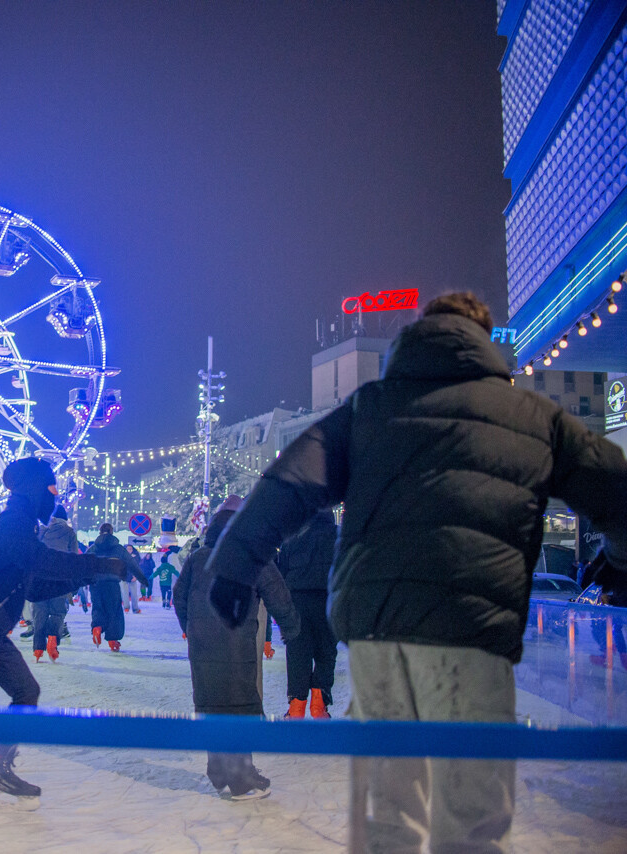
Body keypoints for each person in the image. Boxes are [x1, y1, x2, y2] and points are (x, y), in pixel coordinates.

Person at [205, 293, 627, 852]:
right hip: (472, 625)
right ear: (484, 340)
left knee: (389, 807)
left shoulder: (370, 407)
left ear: (415, 339)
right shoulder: (532, 416)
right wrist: (617, 561)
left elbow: (290, 484)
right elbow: (616, 490)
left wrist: (234, 565)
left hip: (381, 629)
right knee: (472, 810)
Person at [0, 458, 127, 817]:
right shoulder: (13, 522)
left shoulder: (24, 525)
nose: (54, 497)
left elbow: (33, 587)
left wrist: (88, 576)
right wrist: (94, 563)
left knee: (26, 692)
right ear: (35, 489)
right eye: (50, 490)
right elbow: (41, 561)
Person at [174, 498, 299, 801]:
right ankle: (242, 780)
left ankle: (219, 771)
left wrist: (191, 628)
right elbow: (278, 595)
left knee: (210, 702)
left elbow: (179, 597)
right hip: (236, 644)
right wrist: (292, 627)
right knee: (239, 704)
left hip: (202, 647)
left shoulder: (196, 558)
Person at [275, 508, 339, 719]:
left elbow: (281, 573)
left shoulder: (292, 538)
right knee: (326, 653)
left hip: (297, 603)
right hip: (328, 602)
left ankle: (297, 707)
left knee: (297, 654)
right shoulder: (338, 536)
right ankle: (319, 706)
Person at [33, 504, 80, 661]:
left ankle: (38, 649)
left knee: (40, 612)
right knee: (58, 611)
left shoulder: (40, 530)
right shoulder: (69, 532)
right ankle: (53, 638)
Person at [89, 523, 144, 651]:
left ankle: (97, 627)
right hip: (112, 583)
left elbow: (83, 563)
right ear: (112, 532)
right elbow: (131, 563)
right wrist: (141, 577)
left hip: (96, 583)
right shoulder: (118, 548)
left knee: (98, 607)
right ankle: (113, 642)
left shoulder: (93, 548)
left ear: (99, 532)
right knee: (114, 611)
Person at [122, 544, 143, 613]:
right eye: (128, 549)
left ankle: (135, 608)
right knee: (124, 593)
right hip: (123, 576)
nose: (129, 550)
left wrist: (136, 576)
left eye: (130, 549)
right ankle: (126, 607)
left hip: (132, 576)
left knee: (134, 593)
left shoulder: (136, 557)